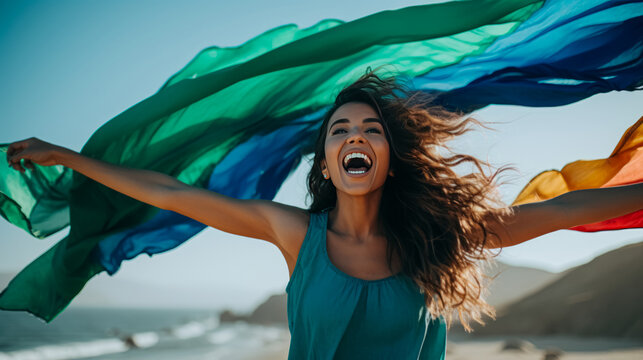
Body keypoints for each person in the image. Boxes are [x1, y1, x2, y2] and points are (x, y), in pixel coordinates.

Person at [6, 71, 642, 359]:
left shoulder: (438, 236)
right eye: (340, 130)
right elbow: (170, 193)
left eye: (371, 129)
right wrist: (69, 158)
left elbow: (567, 208)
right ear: (327, 162)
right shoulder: (294, 233)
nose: (355, 137)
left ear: (390, 157)